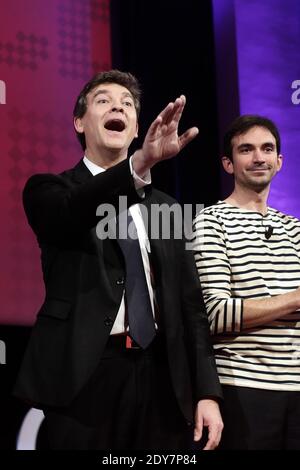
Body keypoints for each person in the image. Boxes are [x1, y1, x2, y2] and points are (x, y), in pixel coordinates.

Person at [14, 70, 223, 450]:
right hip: (85, 376)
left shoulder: (168, 208)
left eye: (127, 104)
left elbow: (191, 306)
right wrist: (136, 167)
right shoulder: (50, 190)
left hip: (163, 378)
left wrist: (207, 392)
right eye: (104, 100)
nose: (118, 107)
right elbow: (74, 213)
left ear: (137, 127)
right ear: (79, 122)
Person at [193, 114, 300, 450]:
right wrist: (295, 300)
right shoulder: (210, 221)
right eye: (246, 150)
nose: (258, 158)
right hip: (244, 389)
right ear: (228, 163)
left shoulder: (295, 230)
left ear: (279, 161)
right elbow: (216, 314)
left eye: (267, 149)